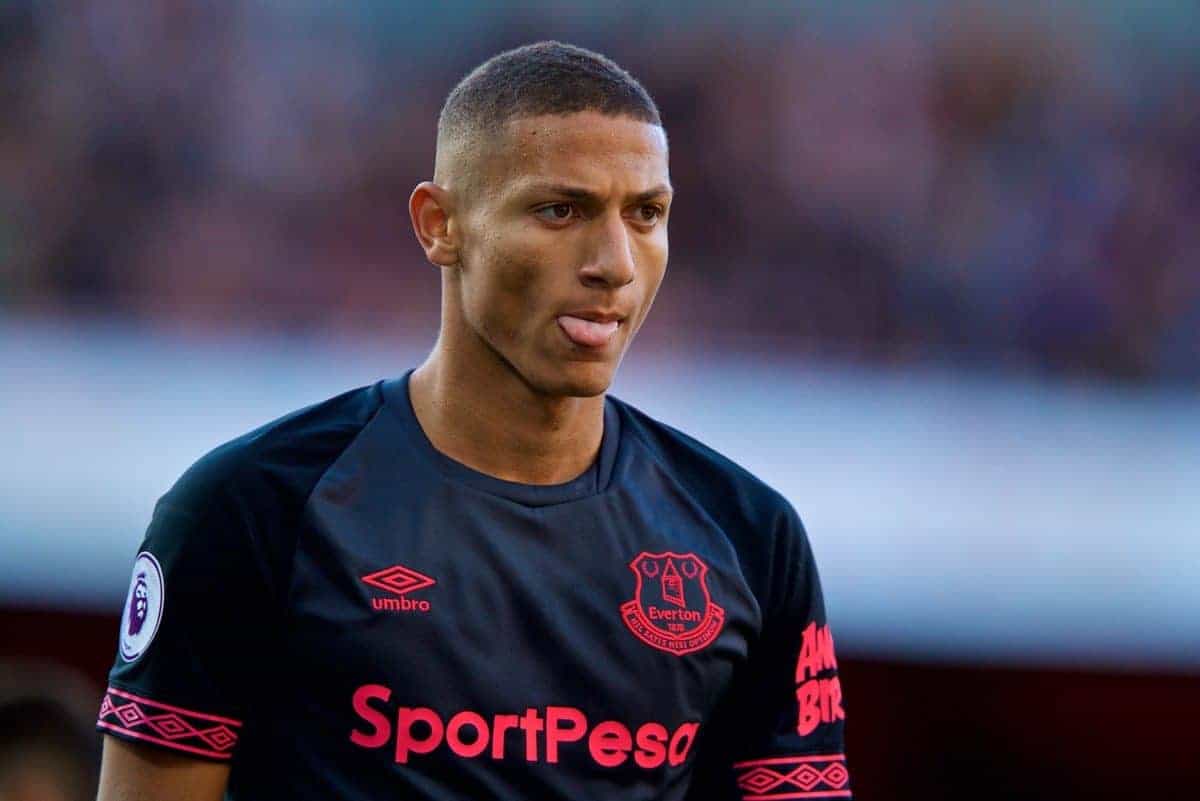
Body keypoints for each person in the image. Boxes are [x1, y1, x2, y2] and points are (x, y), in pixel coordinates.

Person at [95, 41, 851, 801]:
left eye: (646, 213)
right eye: (561, 210)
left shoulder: (747, 537)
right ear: (439, 225)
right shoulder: (253, 507)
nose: (615, 262)